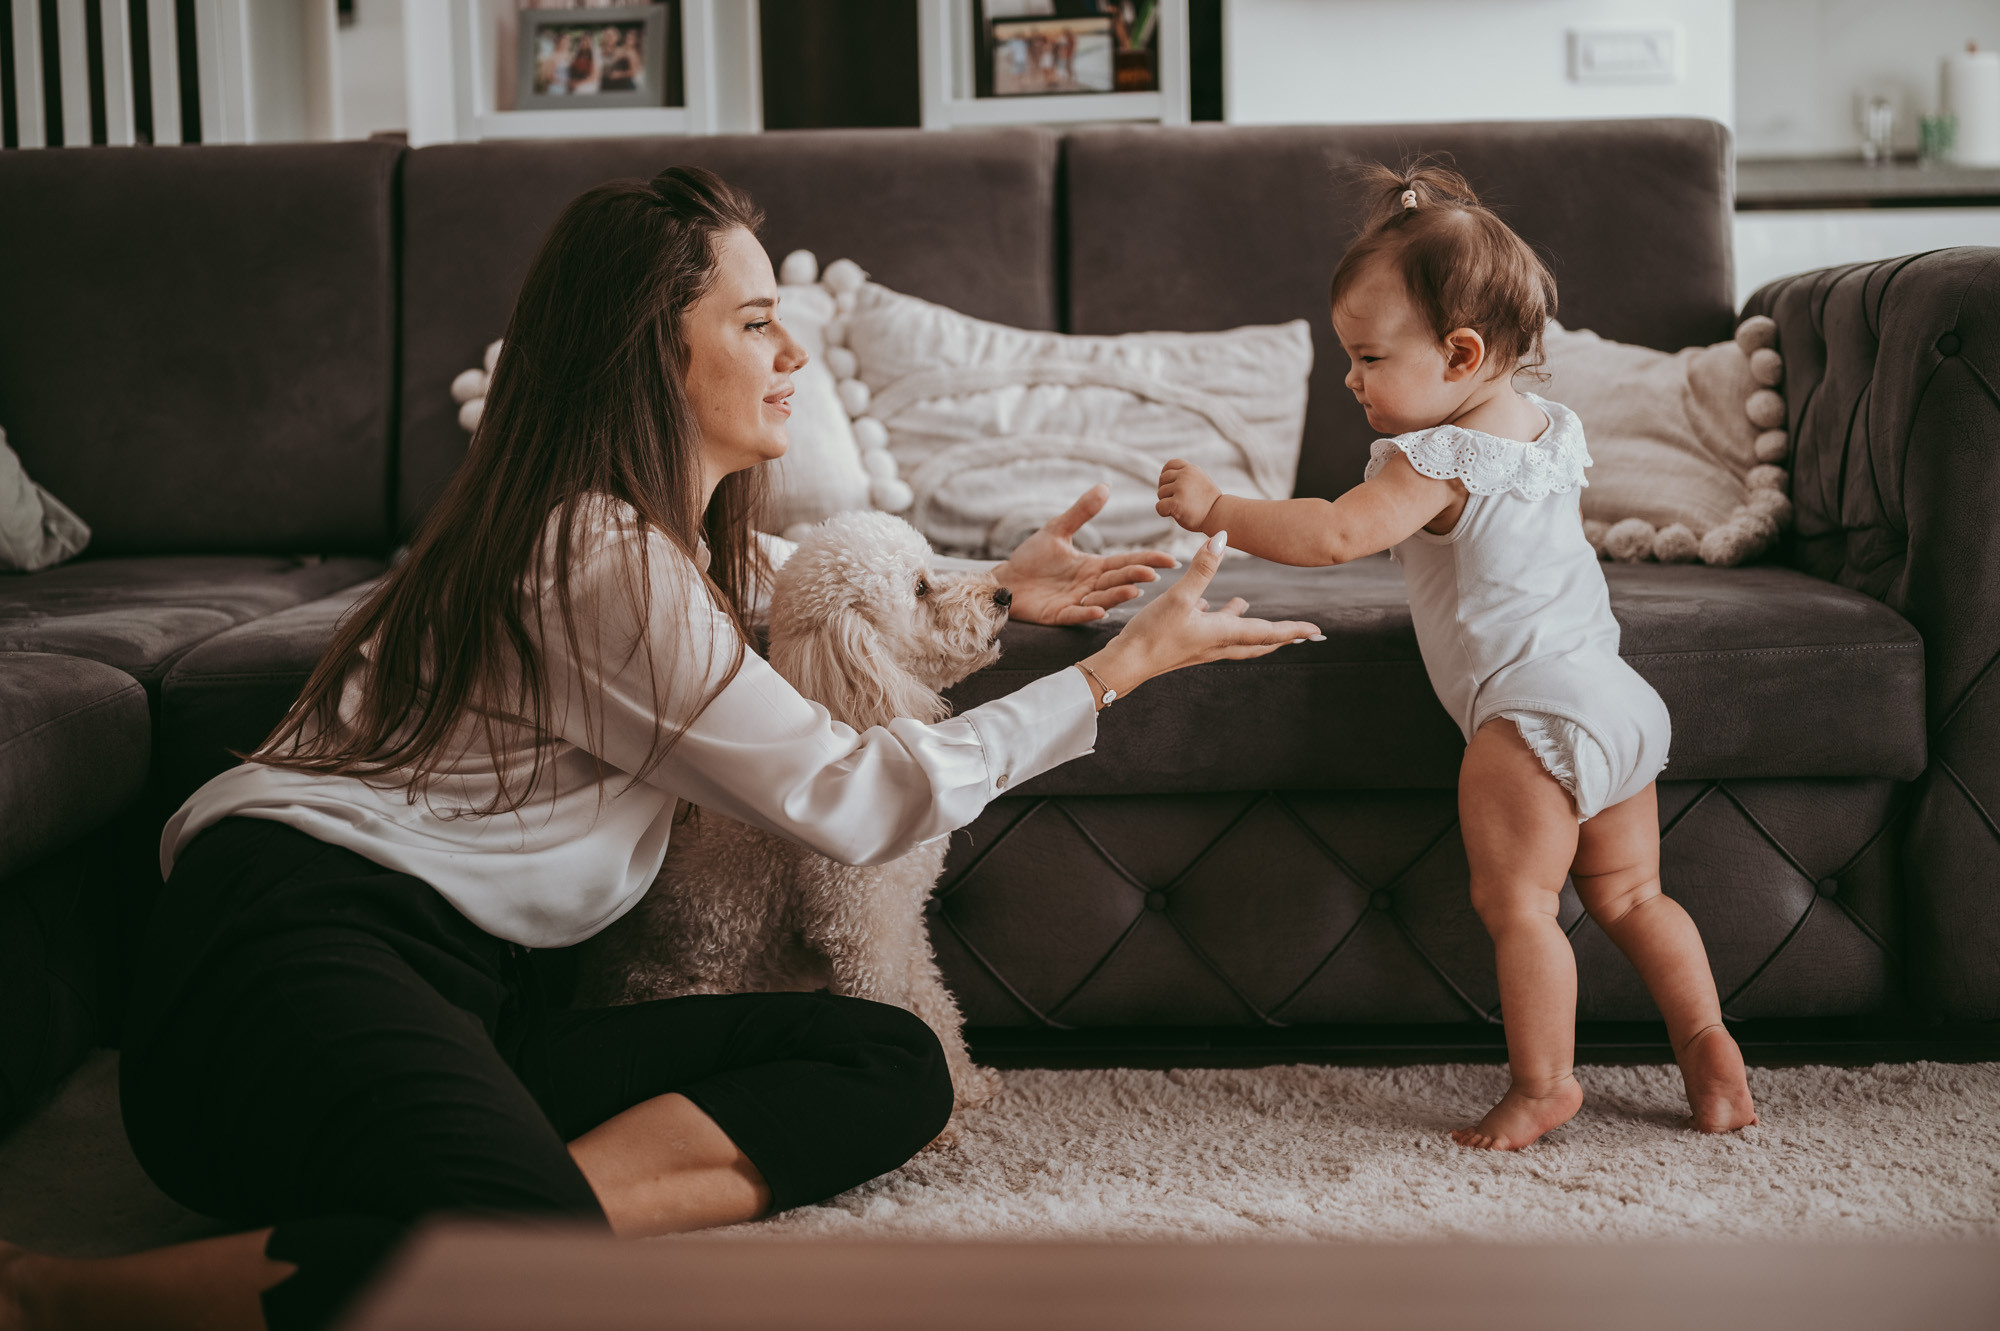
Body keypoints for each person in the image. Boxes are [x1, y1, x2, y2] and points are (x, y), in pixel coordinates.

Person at [0, 167, 1318, 1331]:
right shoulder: (597, 556)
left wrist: (1001, 589)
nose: (790, 349)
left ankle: (490, 1214)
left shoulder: (667, 550)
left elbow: (822, 580)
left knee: (884, 1057)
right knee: (530, 1287)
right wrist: (1116, 671)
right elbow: (855, 798)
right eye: (753, 321)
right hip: (288, 964)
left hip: (479, 1001)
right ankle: (60, 1292)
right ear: (651, 356)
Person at [1155, 163, 1759, 1152]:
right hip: (1614, 698)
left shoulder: (1431, 460)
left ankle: (1542, 1084)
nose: (1349, 379)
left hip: (1526, 714)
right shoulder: (1543, 429)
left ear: (1459, 352)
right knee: (1633, 895)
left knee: (1519, 903)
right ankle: (1705, 1042)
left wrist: (1218, 509)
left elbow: (1334, 535)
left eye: (1365, 357)